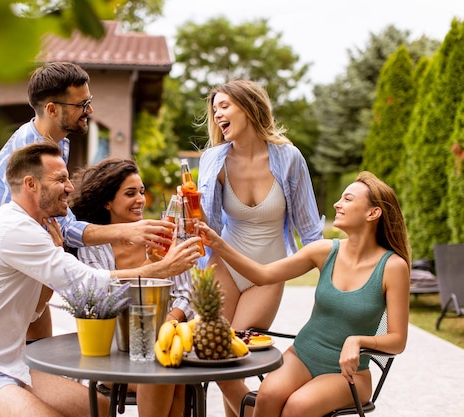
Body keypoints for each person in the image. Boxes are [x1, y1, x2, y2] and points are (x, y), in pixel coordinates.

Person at [0, 142, 202, 417]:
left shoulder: (35, 228)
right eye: (61, 179)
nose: (70, 187)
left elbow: (37, 307)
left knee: (99, 408)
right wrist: (160, 270)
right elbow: (86, 283)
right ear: (31, 184)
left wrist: (53, 258)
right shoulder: (13, 227)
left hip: (12, 365)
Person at [0, 62, 174, 339]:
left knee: (40, 357)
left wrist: (133, 231)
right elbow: (1, 227)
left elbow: (67, 226)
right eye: (82, 104)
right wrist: (135, 239)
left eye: (90, 101)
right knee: (17, 360)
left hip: (35, 266)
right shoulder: (28, 154)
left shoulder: (58, 144)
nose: (90, 111)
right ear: (52, 109)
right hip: (12, 271)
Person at [199, 171, 411, 417]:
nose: (337, 204)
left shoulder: (393, 267)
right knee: (267, 396)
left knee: (297, 407)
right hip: (303, 355)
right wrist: (217, 243)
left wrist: (358, 341)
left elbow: (398, 340)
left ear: (373, 213)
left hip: (349, 376)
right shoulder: (324, 251)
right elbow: (262, 275)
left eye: (348, 199)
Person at [196, 79, 324, 417]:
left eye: (224, 105)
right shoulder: (213, 160)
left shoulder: (288, 158)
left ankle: (250, 412)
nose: (217, 113)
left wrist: (334, 282)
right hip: (224, 262)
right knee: (214, 354)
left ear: (249, 107)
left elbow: (310, 229)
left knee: (235, 354)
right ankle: (250, 411)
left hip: (268, 271)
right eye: (215, 108)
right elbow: (203, 228)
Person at [70, 158, 193, 417]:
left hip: (164, 342)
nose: (140, 200)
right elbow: (102, 296)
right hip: (117, 348)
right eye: (130, 193)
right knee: (168, 375)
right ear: (107, 202)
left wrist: (167, 324)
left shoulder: (160, 234)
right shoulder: (93, 247)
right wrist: (150, 266)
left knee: (174, 373)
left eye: (141, 191)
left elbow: (186, 292)